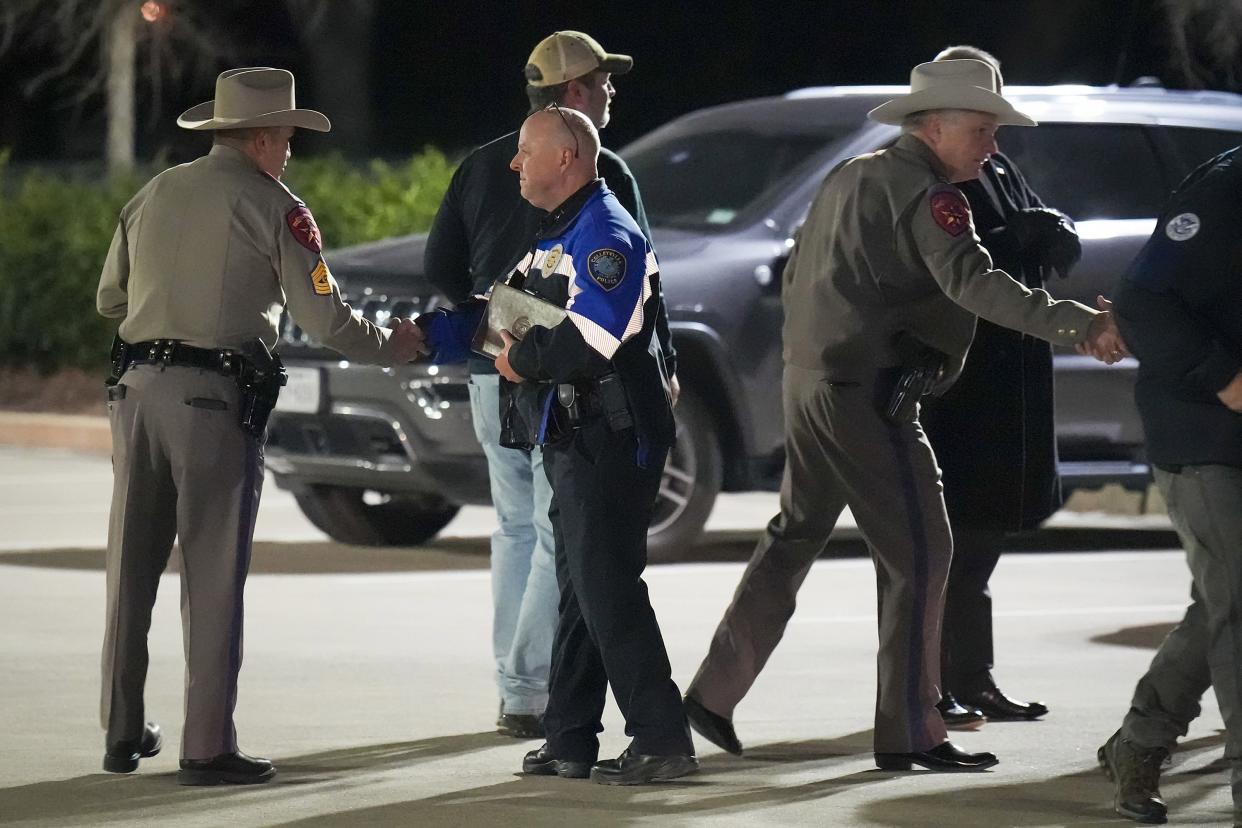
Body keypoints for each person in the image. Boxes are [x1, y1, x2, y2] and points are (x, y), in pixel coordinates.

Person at [681, 59, 1127, 771]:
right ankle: (914, 732)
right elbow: (977, 285)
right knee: (923, 554)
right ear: (935, 124)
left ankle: (712, 693)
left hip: (813, 385)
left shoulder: (849, 176)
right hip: (869, 396)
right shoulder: (933, 197)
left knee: (793, 538)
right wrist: (1080, 325)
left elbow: (799, 273)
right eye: (981, 129)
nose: (992, 146)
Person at [95, 67, 426, 786]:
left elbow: (109, 298)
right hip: (212, 401)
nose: (290, 154)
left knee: (131, 566)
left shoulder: (152, 194)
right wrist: (395, 345)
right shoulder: (276, 206)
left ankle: (121, 732)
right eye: (287, 140)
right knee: (211, 576)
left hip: (133, 392)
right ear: (264, 136)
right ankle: (207, 746)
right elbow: (324, 320)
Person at [419, 107, 696, 784]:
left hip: (612, 435)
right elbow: (501, 318)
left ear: (566, 158)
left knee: (609, 592)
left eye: (524, 152)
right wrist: (425, 338)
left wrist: (523, 363)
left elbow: (590, 339)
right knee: (581, 593)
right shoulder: (558, 235)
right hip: (575, 436)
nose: (514, 164)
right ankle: (570, 738)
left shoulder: (605, 237)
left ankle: (663, 739)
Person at [920, 45, 1081, 730]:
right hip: (964, 385)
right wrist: (1017, 238)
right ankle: (940, 683)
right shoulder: (927, 175)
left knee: (980, 541)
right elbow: (960, 271)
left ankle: (970, 676)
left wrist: (1051, 234)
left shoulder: (995, 163)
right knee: (956, 543)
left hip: (1007, 377)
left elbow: (1039, 228)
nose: (991, 137)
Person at [1099, 146, 1242, 825]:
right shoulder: (1226, 187)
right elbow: (1139, 299)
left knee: (1222, 598)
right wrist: (1223, 375)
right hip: (1203, 429)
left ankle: (1141, 741)